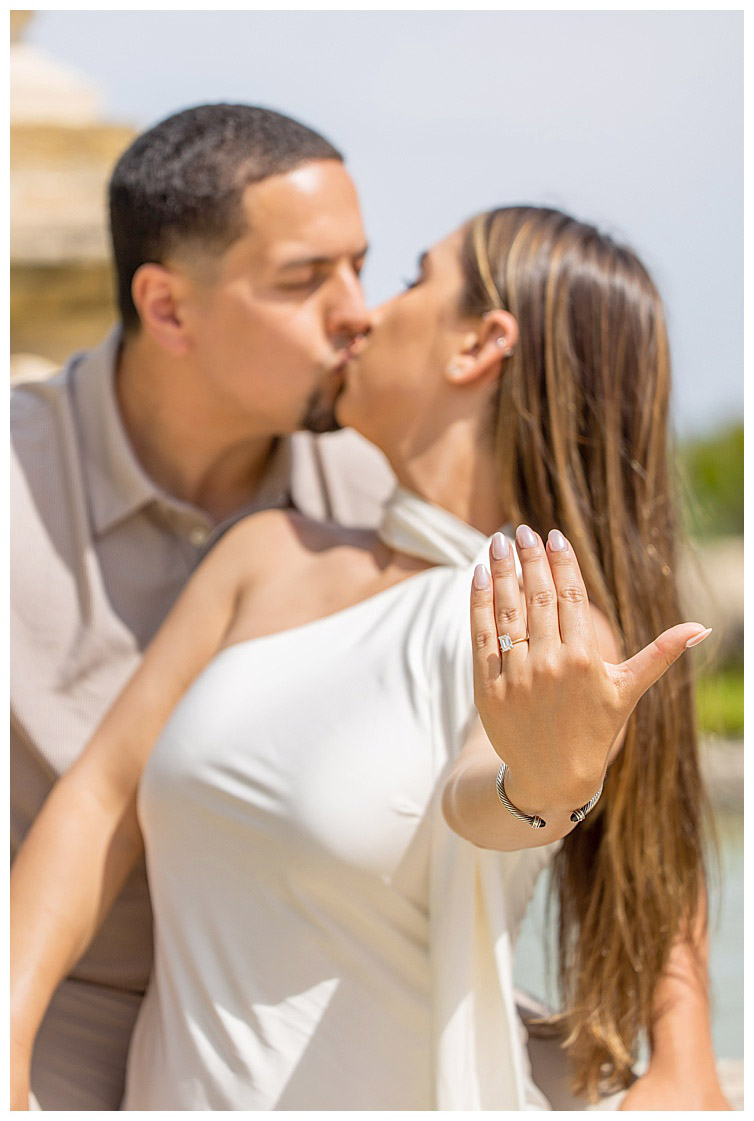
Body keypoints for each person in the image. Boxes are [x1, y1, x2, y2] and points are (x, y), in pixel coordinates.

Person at [11, 206, 729, 1109]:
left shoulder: (547, 631)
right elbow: (99, 797)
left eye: (407, 279)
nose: (361, 315)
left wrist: (543, 782)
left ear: (479, 343)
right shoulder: (264, 553)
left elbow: (487, 798)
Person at [10, 102, 395, 1111]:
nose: (359, 311)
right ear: (169, 308)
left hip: (314, 1025)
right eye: (307, 279)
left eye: (361, 265)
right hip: (49, 1023)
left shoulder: (390, 494)